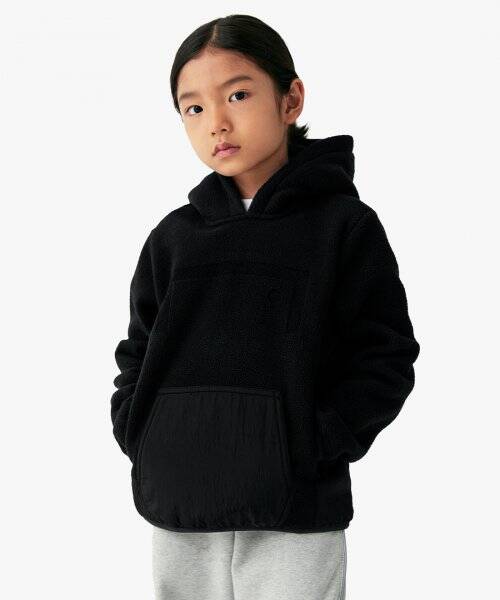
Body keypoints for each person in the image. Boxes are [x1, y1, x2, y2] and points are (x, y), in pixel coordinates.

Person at [110, 14, 420, 600]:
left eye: (238, 95)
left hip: (294, 510)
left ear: (290, 99)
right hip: (181, 503)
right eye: (193, 108)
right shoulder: (173, 238)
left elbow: (384, 355)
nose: (217, 122)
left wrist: (313, 440)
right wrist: (142, 431)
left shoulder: (343, 228)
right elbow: (138, 352)